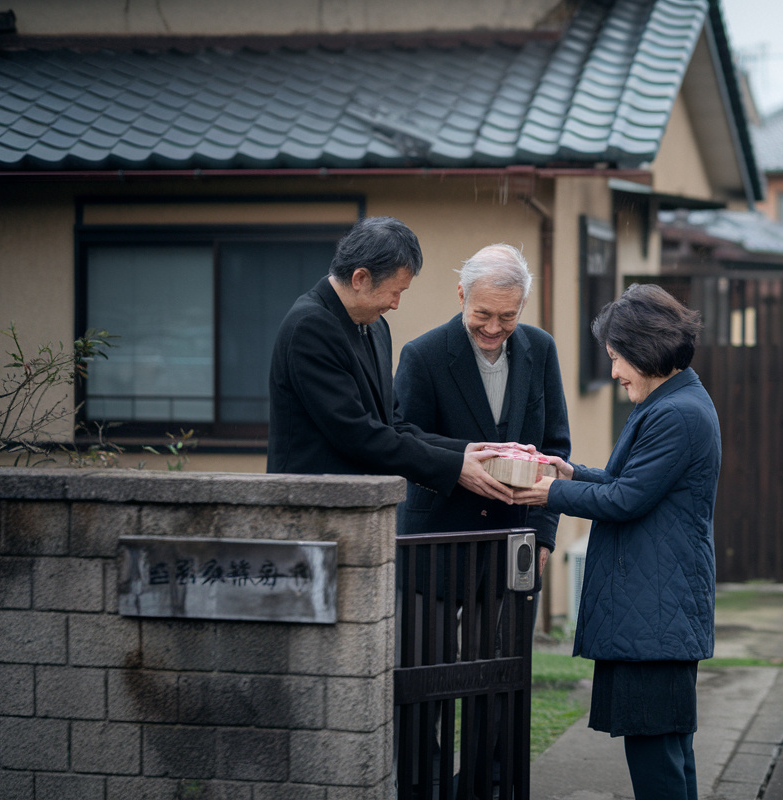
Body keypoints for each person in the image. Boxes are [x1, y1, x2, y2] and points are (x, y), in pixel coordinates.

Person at [513, 283, 720, 800]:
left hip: (655, 612)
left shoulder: (677, 413)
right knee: (669, 750)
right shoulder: (673, 401)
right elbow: (628, 484)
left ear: (645, 346)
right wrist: (569, 472)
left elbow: (627, 500)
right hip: (658, 610)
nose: (613, 372)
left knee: (656, 755)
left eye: (616, 357)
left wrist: (549, 494)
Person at [266, 216, 512, 504]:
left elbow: (392, 425)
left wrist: (465, 451)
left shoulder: (375, 326)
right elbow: (356, 435)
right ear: (360, 279)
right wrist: (454, 468)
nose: (396, 304)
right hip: (310, 509)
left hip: (363, 506)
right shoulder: (309, 327)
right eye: (395, 292)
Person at [394, 243, 570, 575]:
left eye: (508, 316)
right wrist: (461, 461)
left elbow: (555, 448)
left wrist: (543, 534)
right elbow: (403, 438)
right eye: (482, 314)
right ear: (462, 295)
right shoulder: (422, 355)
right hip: (435, 543)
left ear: (523, 304)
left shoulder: (542, 349)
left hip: (516, 542)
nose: (493, 328)